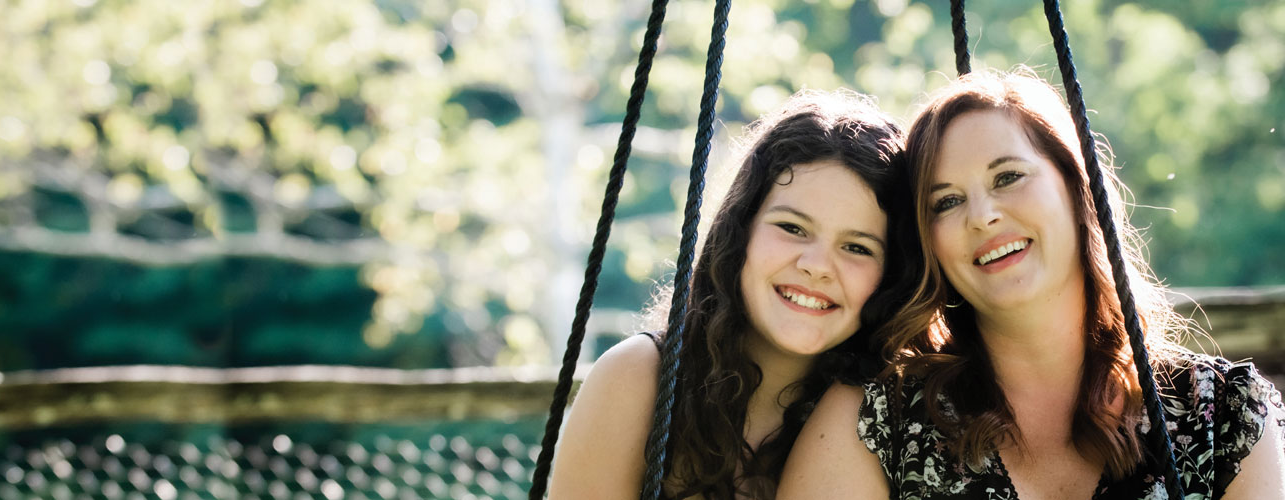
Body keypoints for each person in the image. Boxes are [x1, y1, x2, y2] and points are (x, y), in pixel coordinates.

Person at [778, 69, 1285, 499]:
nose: (982, 217)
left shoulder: (1224, 416)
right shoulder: (877, 424)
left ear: (1074, 187)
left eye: (1007, 177)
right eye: (947, 202)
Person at [547, 90, 922, 499]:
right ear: (739, 231)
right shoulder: (638, 381)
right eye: (792, 228)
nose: (816, 265)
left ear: (893, 275)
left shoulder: (897, 417)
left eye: (857, 248)